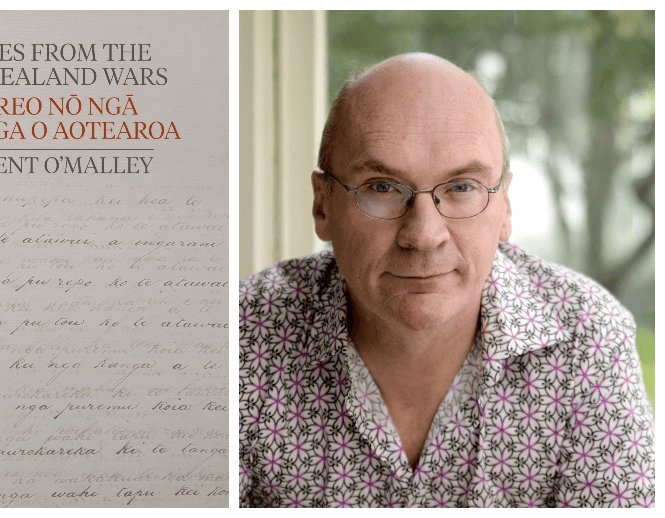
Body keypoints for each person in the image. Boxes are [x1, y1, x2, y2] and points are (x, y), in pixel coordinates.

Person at [239, 53, 654, 507]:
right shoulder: (240, 338)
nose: (423, 236)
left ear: (505, 208)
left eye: (461, 188)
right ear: (323, 206)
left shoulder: (586, 339)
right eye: (381, 186)